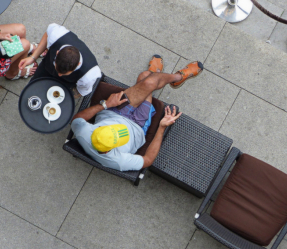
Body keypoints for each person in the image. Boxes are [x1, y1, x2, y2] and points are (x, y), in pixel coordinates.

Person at [71, 55, 203, 171]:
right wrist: (161, 128)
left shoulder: (83, 133)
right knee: (146, 78)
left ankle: (169, 77)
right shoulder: (117, 161)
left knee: (146, 79)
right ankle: (172, 77)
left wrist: (105, 105)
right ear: (108, 150)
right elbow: (148, 160)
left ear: (96, 130)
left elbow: (77, 119)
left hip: (113, 112)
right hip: (137, 125)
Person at [18, 23, 101, 98]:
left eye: (63, 73)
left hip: (66, 83)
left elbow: (80, 91)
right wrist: (33, 57)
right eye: (58, 70)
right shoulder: (57, 35)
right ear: (57, 53)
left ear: (78, 64)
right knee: (32, 86)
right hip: (46, 67)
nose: (59, 75)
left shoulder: (89, 75)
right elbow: (47, 34)